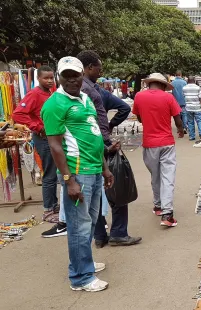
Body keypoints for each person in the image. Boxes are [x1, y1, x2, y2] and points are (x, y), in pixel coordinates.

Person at [41, 56, 114, 292]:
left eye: (76, 75)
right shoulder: (54, 104)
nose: (72, 80)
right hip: (77, 173)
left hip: (93, 169)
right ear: (59, 77)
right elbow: (55, 145)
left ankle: (86, 263)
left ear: (83, 75)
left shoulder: (85, 99)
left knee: (91, 221)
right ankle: (81, 277)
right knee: (78, 226)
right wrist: (68, 180)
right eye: (67, 76)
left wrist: (104, 168)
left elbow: (94, 135)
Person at [76, 50, 141, 248]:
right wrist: (105, 140)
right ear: (89, 68)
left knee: (99, 190)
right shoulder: (87, 90)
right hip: (98, 143)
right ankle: (118, 233)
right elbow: (89, 123)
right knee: (116, 186)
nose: (100, 71)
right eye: (98, 68)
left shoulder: (90, 88)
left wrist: (108, 128)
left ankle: (100, 235)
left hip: (96, 143)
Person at [13, 66, 67, 237]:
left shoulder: (52, 93)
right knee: (50, 173)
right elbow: (18, 114)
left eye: (52, 78)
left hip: (53, 136)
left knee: (55, 171)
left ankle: (54, 204)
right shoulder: (35, 94)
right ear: (39, 79)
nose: (50, 81)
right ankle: (48, 209)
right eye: (46, 78)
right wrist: (37, 127)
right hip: (43, 138)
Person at [133, 73, 184, 227]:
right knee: (167, 177)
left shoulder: (139, 97)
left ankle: (158, 206)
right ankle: (167, 214)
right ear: (162, 85)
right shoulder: (168, 98)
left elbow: (140, 118)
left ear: (149, 84)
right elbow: (177, 118)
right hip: (167, 142)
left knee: (155, 175)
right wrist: (181, 130)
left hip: (149, 143)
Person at [183, 76, 201, 141]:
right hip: (197, 107)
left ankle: (191, 136)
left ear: (187, 81)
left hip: (188, 107)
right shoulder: (198, 88)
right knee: (200, 121)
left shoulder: (184, 88)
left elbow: (184, 96)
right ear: (194, 81)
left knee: (190, 122)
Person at [171, 70, 188, 135]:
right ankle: (184, 127)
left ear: (175, 75)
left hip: (175, 102)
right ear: (181, 74)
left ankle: (179, 128)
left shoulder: (172, 83)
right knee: (184, 115)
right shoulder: (184, 82)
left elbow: (171, 93)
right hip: (183, 101)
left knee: (177, 115)